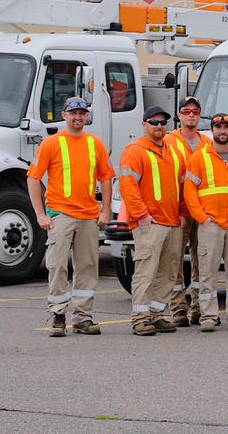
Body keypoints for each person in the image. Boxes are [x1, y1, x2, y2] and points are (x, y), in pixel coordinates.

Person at [28, 96, 114, 336]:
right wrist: (40, 214)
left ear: (87, 116)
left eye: (82, 113)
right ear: (64, 115)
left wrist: (105, 210)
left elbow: (106, 177)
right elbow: (33, 178)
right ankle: (58, 314)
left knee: (87, 266)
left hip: (88, 215)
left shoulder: (94, 144)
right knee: (57, 266)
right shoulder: (52, 143)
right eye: (73, 113)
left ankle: (83, 317)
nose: (78, 117)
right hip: (60, 214)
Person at [182, 113, 228, 333]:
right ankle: (209, 316)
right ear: (212, 131)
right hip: (210, 224)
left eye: (226, 127)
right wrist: (202, 218)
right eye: (218, 127)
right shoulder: (199, 158)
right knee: (207, 272)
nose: (222, 131)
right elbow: (189, 192)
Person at [119, 106, 186, 336]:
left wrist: (182, 212)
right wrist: (142, 215)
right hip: (149, 223)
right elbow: (128, 187)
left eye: (162, 123)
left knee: (168, 272)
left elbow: (182, 186)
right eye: (154, 122)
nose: (159, 127)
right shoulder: (135, 151)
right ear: (144, 124)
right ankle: (140, 318)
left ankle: (157, 314)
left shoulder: (173, 151)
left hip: (172, 222)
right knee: (145, 271)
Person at [164, 95, 207, 327]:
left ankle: (199, 308)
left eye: (195, 112)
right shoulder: (169, 141)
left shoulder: (207, 143)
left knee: (203, 259)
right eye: (186, 111)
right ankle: (178, 308)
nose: (191, 115)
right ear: (179, 115)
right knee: (175, 260)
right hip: (176, 209)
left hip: (201, 209)